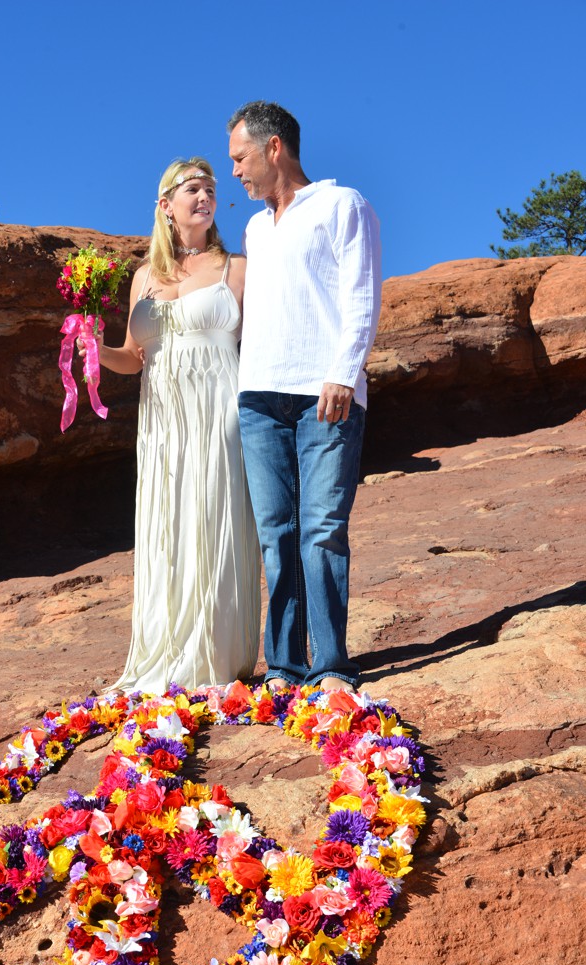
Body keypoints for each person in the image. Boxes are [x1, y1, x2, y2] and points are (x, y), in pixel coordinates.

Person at [227, 101, 382, 695]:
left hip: (325, 393)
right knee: (277, 533)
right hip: (259, 398)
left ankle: (332, 665)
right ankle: (286, 668)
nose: (236, 171)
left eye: (240, 157)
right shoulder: (255, 228)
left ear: (273, 148)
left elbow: (361, 293)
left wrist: (345, 371)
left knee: (321, 529)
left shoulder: (343, 205)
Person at [92, 157, 260, 693]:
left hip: (219, 411)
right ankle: (165, 649)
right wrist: (93, 349)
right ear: (166, 206)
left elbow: (259, 347)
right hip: (162, 418)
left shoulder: (237, 268)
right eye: (192, 189)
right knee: (169, 525)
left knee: (214, 519)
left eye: (210, 188)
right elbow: (130, 356)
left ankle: (213, 653)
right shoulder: (145, 277)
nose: (205, 196)